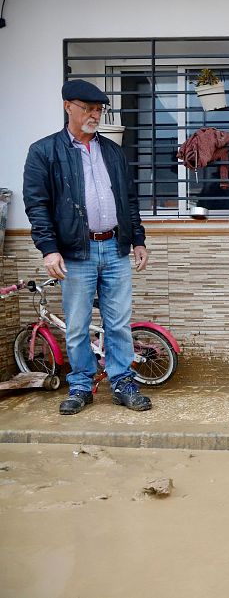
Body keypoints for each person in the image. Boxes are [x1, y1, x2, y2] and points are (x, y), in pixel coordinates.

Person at [23, 79, 151, 415]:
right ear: (68, 107)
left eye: (98, 109)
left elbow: (129, 199)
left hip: (114, 247)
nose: (95, 115)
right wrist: (49, 248)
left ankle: (123, 381)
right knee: (78, 325)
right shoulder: (44, 151)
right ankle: (81, 385)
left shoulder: (112, 151)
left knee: (119, 322)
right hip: (74, 253)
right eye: (88, 108)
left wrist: (137, 238)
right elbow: (37, 204)